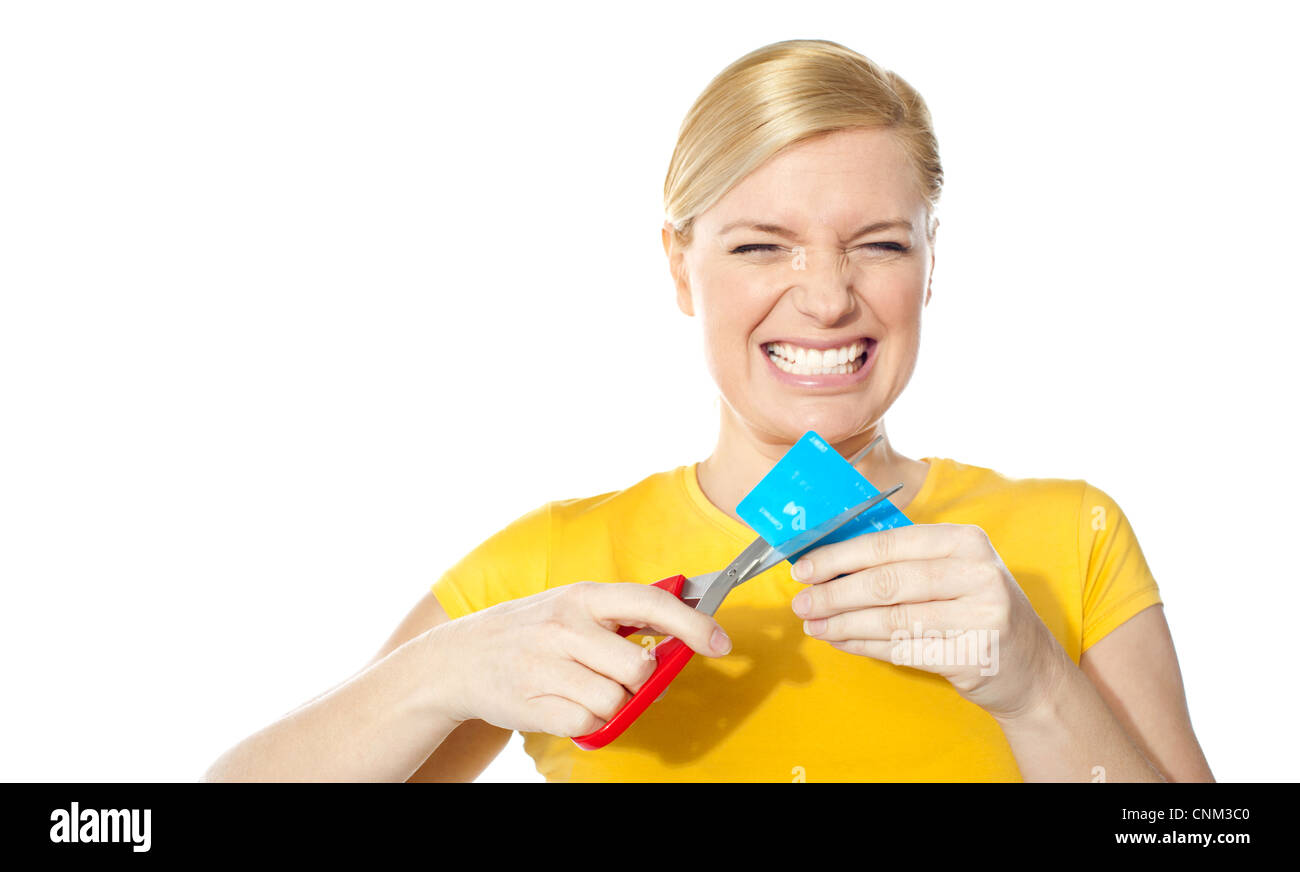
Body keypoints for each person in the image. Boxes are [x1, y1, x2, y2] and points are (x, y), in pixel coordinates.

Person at [203, 38, 1213, 783]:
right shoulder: (549, 567)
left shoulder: (1065, 538)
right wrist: (440, 674)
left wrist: (1038, 683)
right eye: (760, 244)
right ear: (679, 266)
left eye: (878, 242)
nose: (824, 296)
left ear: (930, 266)